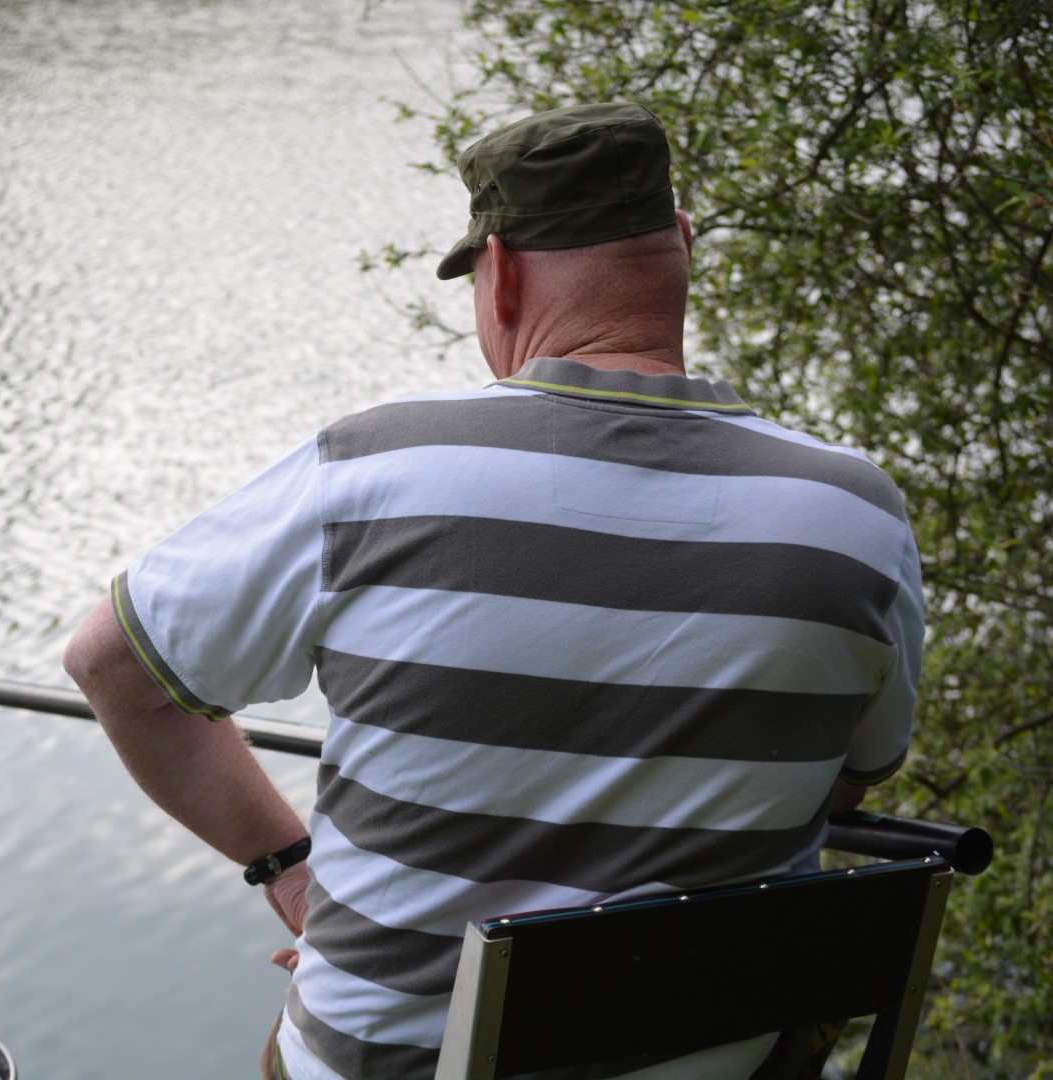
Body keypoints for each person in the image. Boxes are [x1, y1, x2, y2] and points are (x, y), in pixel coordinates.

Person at [63, 102, 923, 1080]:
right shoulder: (858, 517)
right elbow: (843, 779)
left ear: (501, 272)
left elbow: (111, 669)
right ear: (683, 246)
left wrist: (289, 867)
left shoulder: (374, 472)